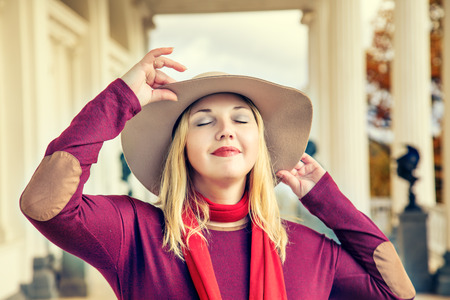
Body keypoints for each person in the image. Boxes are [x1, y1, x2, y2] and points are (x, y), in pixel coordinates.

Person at [20, 47, 416, 300]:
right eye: (204, 122)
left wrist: (327, 200)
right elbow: (44, 204)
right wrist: (117, 100)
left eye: (241, 119)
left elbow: (397, 292)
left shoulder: (306, 248)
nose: (225, 129)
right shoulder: (135, 233)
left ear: (259, 144)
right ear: (182, 148)